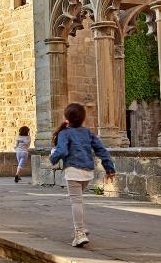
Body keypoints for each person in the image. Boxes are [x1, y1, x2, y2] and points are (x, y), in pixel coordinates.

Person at [49, 103, 115, 248]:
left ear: (66, 118)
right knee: (79, 200)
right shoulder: (87, 132)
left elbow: (62, 151)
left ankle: (79, 233)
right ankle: (81, 227)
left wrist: (52, 158)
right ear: (83, 118)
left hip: (73, 171)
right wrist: (109, 169)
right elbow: (101, 150)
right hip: (87, 173)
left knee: (76, 202)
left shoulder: (64, 133)